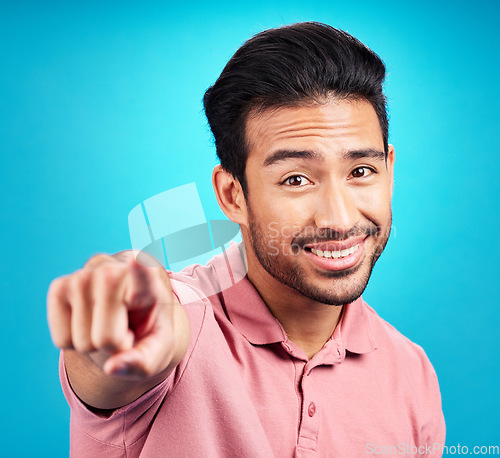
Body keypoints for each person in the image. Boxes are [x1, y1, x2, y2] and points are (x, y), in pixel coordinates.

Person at [47, 22, 446, 457]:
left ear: (389, 171)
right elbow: (116, 360)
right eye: (296, 179)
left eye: (361, 172)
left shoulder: (413, 372)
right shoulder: (184, 320)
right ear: (232, 196)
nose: (339, 217)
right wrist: (124, 326)